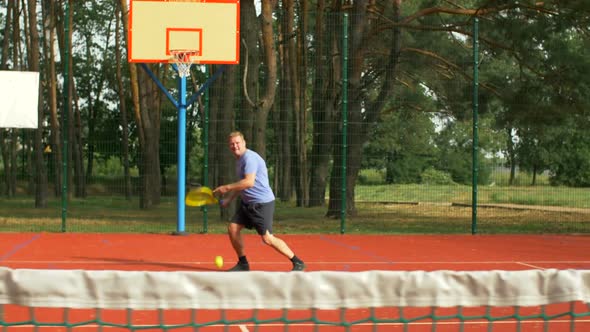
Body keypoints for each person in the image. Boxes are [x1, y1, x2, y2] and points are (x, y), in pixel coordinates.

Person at [213, 131, 306, 272]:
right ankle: (243, 264)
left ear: (244, 143)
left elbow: (248, 182)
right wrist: (229, 199)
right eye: (232, 144)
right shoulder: (239, 160)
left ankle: (297, 261)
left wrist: (226, 188)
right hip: (247, 203)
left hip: (261, 203)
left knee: (267, 238)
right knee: (233, 228)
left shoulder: (249, 158)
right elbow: (242, 184)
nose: (235, 146)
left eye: (237, 143)